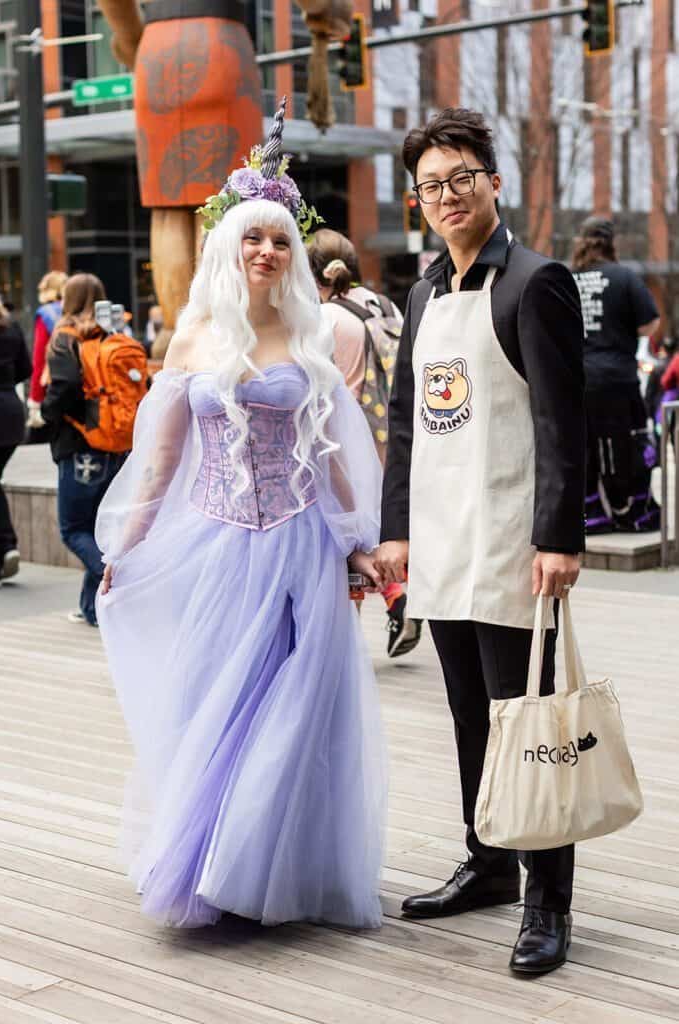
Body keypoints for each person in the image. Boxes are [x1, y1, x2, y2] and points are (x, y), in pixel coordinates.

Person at [94, 105, 387, 930]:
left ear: (295, 254)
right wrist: (126, 544)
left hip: (297, 546)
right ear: (229, 249)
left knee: (301, 708)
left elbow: (330, 453)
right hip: (220, 545)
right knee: (222, 702)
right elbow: (156, 462)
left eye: (281, 240)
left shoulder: (312, 340)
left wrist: (355, 543)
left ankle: (282, 871)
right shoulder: (190, 344)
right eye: (253, 238)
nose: (267, 251)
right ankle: (215, 870)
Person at [374, 107, 586, 975]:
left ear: (492, 183)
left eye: (461, 177)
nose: (447, 195)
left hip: (511, 542)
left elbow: (559, 418)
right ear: (417, 199)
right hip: (442, 537)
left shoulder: (534, 282)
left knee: (526, 721)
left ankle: (548, 899)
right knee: (468, 716)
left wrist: (558, 537)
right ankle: (490, 861)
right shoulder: (421, 294)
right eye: (430, 185)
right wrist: (393, 531)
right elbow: (402, 421)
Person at [308, 228, 421, 659]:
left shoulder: (328, 319)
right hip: (389, 441)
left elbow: (334, 394)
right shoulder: (384, 304)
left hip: (349, 445)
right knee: (373, 538)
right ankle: (398, 598)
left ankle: (349, 643)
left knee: (346, 541)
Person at [41, 274, 129, 626]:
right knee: (98, 528)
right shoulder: (115, 332)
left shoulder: (66, 336)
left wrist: (47, 413)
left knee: (73, 529)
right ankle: (90, 608)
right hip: (116, 443)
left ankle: (118, 583)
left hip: (80, 445)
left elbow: (64, 385)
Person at [571, 217, 661, 533]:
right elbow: (649, 324)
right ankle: (634, 513)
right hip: (618, 379)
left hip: (578, 381)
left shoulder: (567, 279)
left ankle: (591, 516)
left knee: (582, 449)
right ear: (611, 243)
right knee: (631, 445)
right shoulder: (624, 277)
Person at [0, 293, 32, 583]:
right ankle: (4, 549)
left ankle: (6, 545)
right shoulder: (11, 328)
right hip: (10, 414)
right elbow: (26, 369)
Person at [26, 270, 67, 439]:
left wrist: (35, 400)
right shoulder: (78, 310)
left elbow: (39, 360)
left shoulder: (46, 314)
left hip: (55, 384)